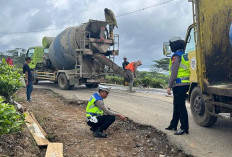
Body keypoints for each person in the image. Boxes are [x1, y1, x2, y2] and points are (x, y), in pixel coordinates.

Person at [165, 37, 190, 135]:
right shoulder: (184, 55)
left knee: (180, 107)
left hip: (179, 84)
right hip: (185, 84)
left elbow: (174, 72)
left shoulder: (176, 56)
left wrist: (169, 86)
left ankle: (184, 128)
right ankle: (173, 124)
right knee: (177, 105)